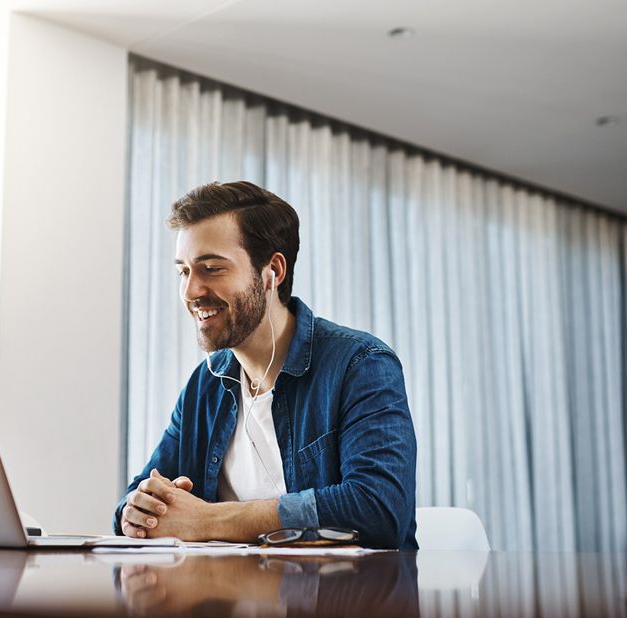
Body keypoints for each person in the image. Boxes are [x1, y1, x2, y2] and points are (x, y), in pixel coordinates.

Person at [113, 181, 417, 549]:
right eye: (183, 271)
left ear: (273, 271)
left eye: (210, 268)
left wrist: (208, 519)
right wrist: (137, 509)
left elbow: (379, 510)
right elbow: (135, 502)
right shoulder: (204, 386)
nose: (191, 291)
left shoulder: (361, 365)